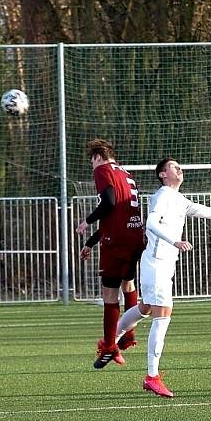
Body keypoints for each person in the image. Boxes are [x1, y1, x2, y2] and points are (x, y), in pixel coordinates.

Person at [112, 157, 211, 398]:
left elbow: (210, 212)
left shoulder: (178, 199)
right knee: (162, 314)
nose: (179, 169)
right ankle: (152, 376)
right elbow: (151, 223)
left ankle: (110, 341)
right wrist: (174, 240)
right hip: (156, 263)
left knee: (145, 308)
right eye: (173, 167)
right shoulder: (163, 195)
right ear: (163, 175)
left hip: (162, 265)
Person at [76, 139, 146, 368]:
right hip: (135, 237)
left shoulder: (103, 170)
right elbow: (118, 214)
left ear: (97, 157)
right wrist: (91, 242)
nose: (92, 167)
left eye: (92, 162)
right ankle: (128, 335)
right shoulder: (126, 174)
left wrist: (86, 221)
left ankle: (109, 345)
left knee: (109, 294)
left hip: (116, 242)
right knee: (129, 285)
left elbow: (108, 203)